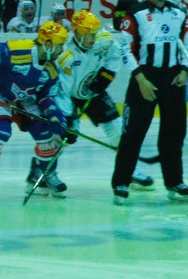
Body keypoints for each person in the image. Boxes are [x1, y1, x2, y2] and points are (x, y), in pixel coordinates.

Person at [111, 0, 188, 205]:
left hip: (173, 79)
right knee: (133, 132)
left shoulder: (179, 14)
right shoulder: (134, 13)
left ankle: (174, 181)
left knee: (174, 133)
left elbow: (185, 47)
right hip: (144, 78)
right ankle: (121, 182)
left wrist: (185, 70)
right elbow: (125, 49)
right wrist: (139, 78)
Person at [0, 21, 70, 203]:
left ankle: (45, 176)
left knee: (45, 133)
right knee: (0, 131)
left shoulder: (51, 70)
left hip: (22, 98)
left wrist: (55, 117)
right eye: (59, 46)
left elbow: (45, 96)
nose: (61, 51)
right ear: (47, 44)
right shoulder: (18, 51)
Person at [53, 10, 154, 191]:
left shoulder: (103, 39)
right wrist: (67, 116)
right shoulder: (65, 54)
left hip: (94, 90)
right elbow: (63, 90)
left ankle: (128, 170)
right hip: (68, 95)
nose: (93, 38)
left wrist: (105, 77)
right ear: (76, 32)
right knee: (65, 136)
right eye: (88, 34)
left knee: (116, 128)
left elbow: (114, 56)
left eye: (94, 33)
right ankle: (43, 171)